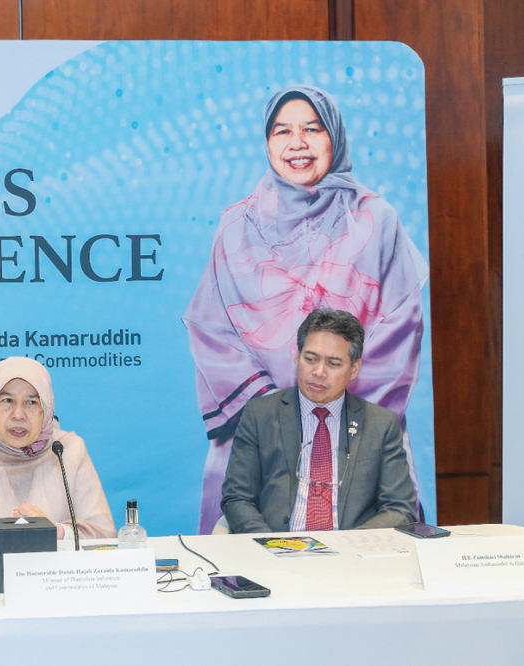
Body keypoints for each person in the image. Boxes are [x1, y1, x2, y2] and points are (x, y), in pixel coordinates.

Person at [183, 84, 428, 533]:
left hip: (354, 427)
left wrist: (337, 399)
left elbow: (401, 325)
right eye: (282, 131)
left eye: (312, 129)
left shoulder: (375, 219)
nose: (297, 143)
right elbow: (210, 327)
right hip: (258, 430)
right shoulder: (237, 223)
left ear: (334, 136)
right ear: (267, 142)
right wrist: (275, 411)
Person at [222, 309, 416, 533]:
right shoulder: (260, 415)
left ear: (354, 369)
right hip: (276, 551)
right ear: (296, 357)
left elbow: (399, 508)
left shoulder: (381, 425)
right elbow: (237, 497)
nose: (319, 372)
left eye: (333, 364)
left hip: (351, 558)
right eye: (310, 359)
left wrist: (349, 545)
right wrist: (270, 546)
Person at [0, 357, 116, 543]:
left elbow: (104, 537)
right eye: (7, 400)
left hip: (58, 573)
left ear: (46, 410)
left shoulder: (67, 452)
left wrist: (56, 532)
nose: (18, 415)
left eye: (31, 402)